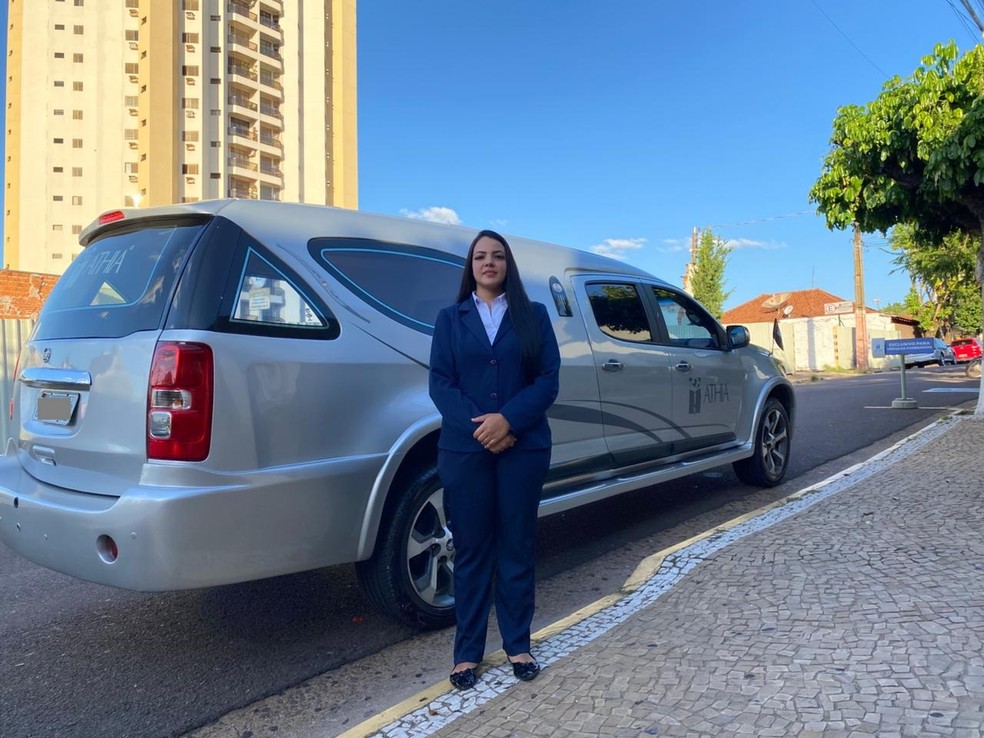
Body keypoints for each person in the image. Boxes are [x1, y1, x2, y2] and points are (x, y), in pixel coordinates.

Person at [428, 229, 561, 690]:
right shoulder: (450, 318)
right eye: (481, 256)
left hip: (522, 449)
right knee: (471, 551)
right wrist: (483, 428)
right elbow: (440, 384)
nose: (489, 263)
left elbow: (547, 380)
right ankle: (466, 654)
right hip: (465, 452)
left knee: (517, 546)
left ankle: (518, 644)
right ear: (471, 266)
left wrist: (509, 421)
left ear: (508, 265)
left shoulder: (533, 316)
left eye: (497, 256)